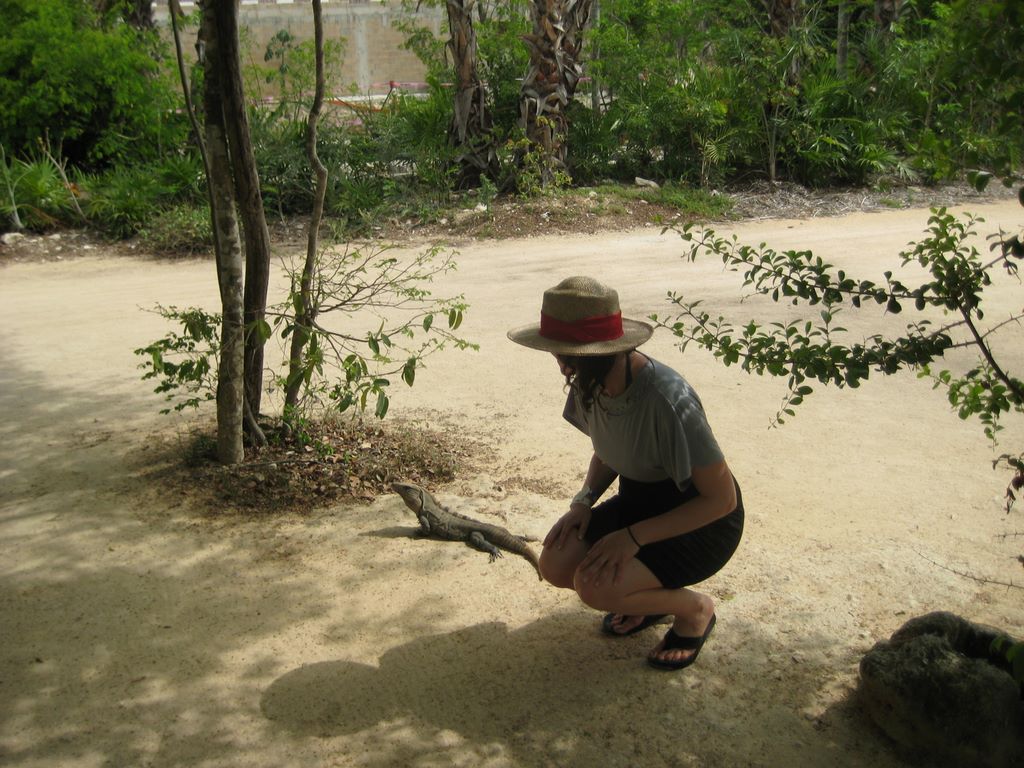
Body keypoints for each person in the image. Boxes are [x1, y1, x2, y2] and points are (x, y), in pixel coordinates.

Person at [507, 276, 744, 671]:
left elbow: (722, 500)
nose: (561, 364)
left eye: (568, 354)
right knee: (556, 563)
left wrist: (632, 538)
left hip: (699, 522)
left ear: (604, 351)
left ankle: (695, 610)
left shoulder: (667, 399)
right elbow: (608, 450)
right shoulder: (589, 381)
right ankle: (649, 601)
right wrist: (583, 501)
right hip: (639, 503)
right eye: (557, 352)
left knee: (595, 587)